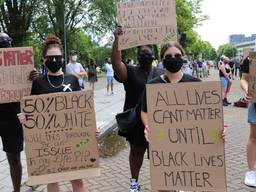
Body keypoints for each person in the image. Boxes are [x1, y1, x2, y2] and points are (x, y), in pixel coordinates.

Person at [140, 42, 227, 192]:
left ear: (183, 58)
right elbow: (144, 111)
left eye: (177, 55)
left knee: (192, 183)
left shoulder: (196, 84)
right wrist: (148, 126)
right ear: (162, 59)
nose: (173, 58)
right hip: (163, 144)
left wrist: (218, 130)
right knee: (165, 186)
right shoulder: (153, 86)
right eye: (168, 56)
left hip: (192, 146)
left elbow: (208, 117)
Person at [17, 35, 99, 192]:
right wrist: (25, 117)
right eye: (50, 58)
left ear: (62, 58)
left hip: (72, 140)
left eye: (57, 57)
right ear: (44, 60)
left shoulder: (73, 80)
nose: (54, 61)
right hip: (49, 142)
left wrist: (91, 129)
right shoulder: (38, 82)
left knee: (78, 182)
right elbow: (33, 111)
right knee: (52, 182)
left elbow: (82, 110)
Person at [111, 26, 163, 192]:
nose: (144, 54)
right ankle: (134, 182)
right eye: (141, 52)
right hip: (137, 123)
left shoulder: (162, 72)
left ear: (153, 55)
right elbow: (116, 63)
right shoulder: (131, 72)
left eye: (147, 52)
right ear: (137, 55)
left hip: (160, 121)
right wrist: (117, 40)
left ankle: (167, 180)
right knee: (136, 152)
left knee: (162, 152)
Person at [0, 32, 38, 192]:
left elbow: (32, 93)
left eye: (6, 41)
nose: (3, 44)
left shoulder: (21, 66)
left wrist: (32, 78)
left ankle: (16, 190)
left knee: (14, 158)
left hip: (12, 117)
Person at [240, 55, 256, 187]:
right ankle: (251, 171)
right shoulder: (252, 58)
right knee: (254, 136)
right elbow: (244, 79)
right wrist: (247, 90)